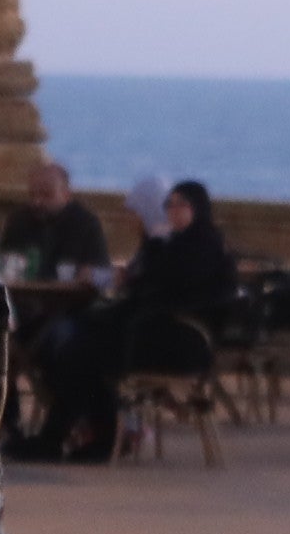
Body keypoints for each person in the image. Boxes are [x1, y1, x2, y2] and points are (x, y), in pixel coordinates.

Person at [31, 177, 237, 461]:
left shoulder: (202, 247)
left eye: (182, 205)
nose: (174, 211)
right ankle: (69, 438)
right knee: (74, 345)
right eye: (170, 205)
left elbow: (165, 290)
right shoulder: (174, 244)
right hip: (156, 332)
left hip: (179, 343)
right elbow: (145, 288)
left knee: (80, 353)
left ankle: (85, 440)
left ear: (197, 209)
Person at [0, 157, 111, 288]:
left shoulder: (86, 224)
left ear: (66, 195)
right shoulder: (18, 221)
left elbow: (101, 274)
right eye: (33, 195)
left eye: (46, 195)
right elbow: (1, 263)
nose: (37, 202)